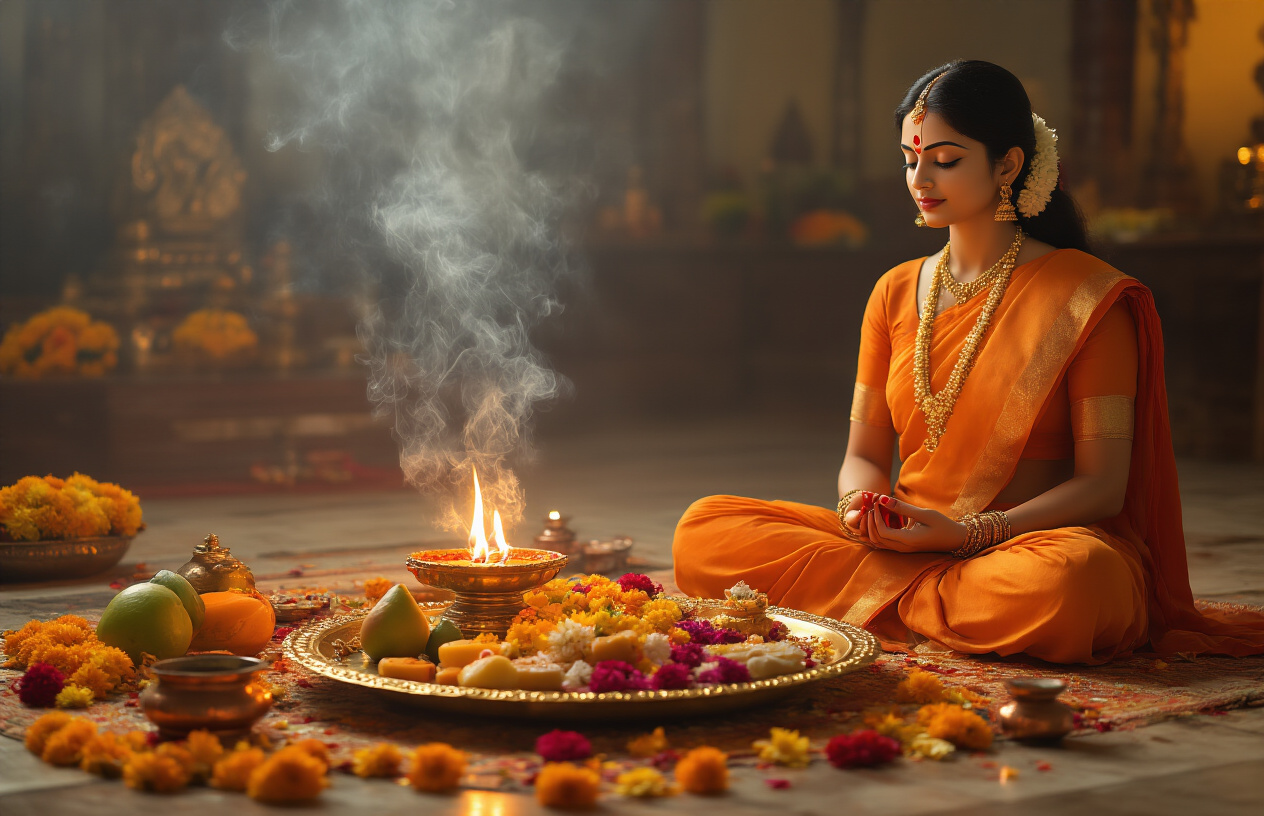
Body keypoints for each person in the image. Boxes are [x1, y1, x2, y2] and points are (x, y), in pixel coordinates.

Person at [672, 60, 1264, 664]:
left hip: (1023, 547)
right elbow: (864, 456)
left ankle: (883, 603)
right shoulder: (895, 290)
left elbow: (1103, 487)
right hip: (902, 541)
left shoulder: (1088, 297)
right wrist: (862, 510)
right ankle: (928, 605)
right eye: (910, 159)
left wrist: (968, 533)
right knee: (704, 529)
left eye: (945, 160)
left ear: (1008, 164)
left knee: (1077, 581)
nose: (920, 179)